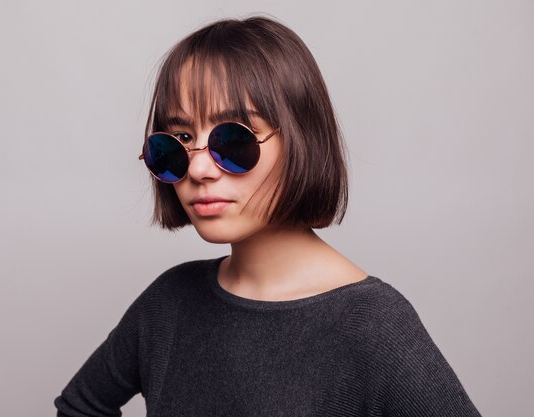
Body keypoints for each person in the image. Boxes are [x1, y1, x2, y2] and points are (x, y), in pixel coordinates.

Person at [54, 15, 482, 416]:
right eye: (180, 138)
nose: (199, 169)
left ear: (301, 142)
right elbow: (79, 406)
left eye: (234, 140)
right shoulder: (169, 302)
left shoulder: (371, 324)